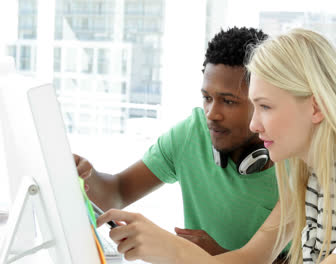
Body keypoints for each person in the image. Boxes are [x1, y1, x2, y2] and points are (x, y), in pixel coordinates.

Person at [96, 28, 336, 264]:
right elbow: (248, 260)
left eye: (266, 107)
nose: (255, 125)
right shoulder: (310, 175)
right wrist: (160, 248)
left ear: (316, 107)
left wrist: (171, 251)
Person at [75, 27, 290, 261]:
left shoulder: (296, 159)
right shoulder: (193, 133)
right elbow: (116, 192)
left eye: (228, 101)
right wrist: (85, 176)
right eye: (207, 98)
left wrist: (209, 257)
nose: (212, 114)